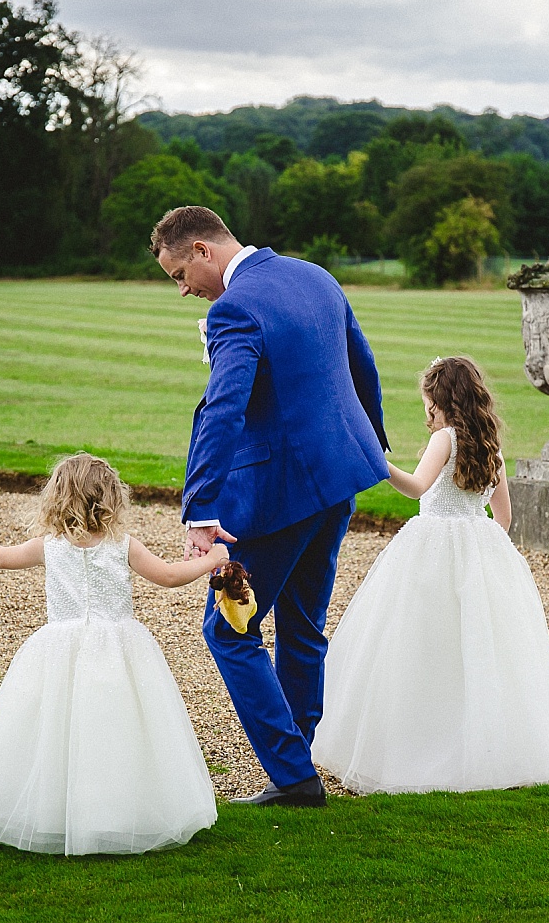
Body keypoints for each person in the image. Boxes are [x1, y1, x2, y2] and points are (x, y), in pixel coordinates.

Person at [152, 205, 390, 807]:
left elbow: (222, 409)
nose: (183, 290)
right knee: (303, 625)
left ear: (204, 249)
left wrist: (202, 508)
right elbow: (362, 362)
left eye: (181, 274)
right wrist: (373, 442)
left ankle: (292, 777)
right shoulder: (314, 274)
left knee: (229, 630)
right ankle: (297, 763)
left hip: (281, 493)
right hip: (340, 479)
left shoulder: (234, 308)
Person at [311, 356, 549, 794]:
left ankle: (422, 751)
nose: (427, 413)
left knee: (422, 647)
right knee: (479, 651)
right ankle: (487, 750)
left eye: (429, 404)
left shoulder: (445, 438)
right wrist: (479, 549)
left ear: (441, 401)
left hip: (432, 547)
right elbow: (504, 517)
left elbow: (417, 487)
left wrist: (374, 461)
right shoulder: (491, 447)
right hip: (480, 550)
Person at [0, 452, 221, 854]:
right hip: (119, 650)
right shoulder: (122, 545)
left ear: (57, 497)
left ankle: (60, 811)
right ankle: (113, 810)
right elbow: (170, 576)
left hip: (60, 649)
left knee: (59, 728)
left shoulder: (49, 547)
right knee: (116, 730)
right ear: (110, 499)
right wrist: (213, 559)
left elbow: (0, 557)